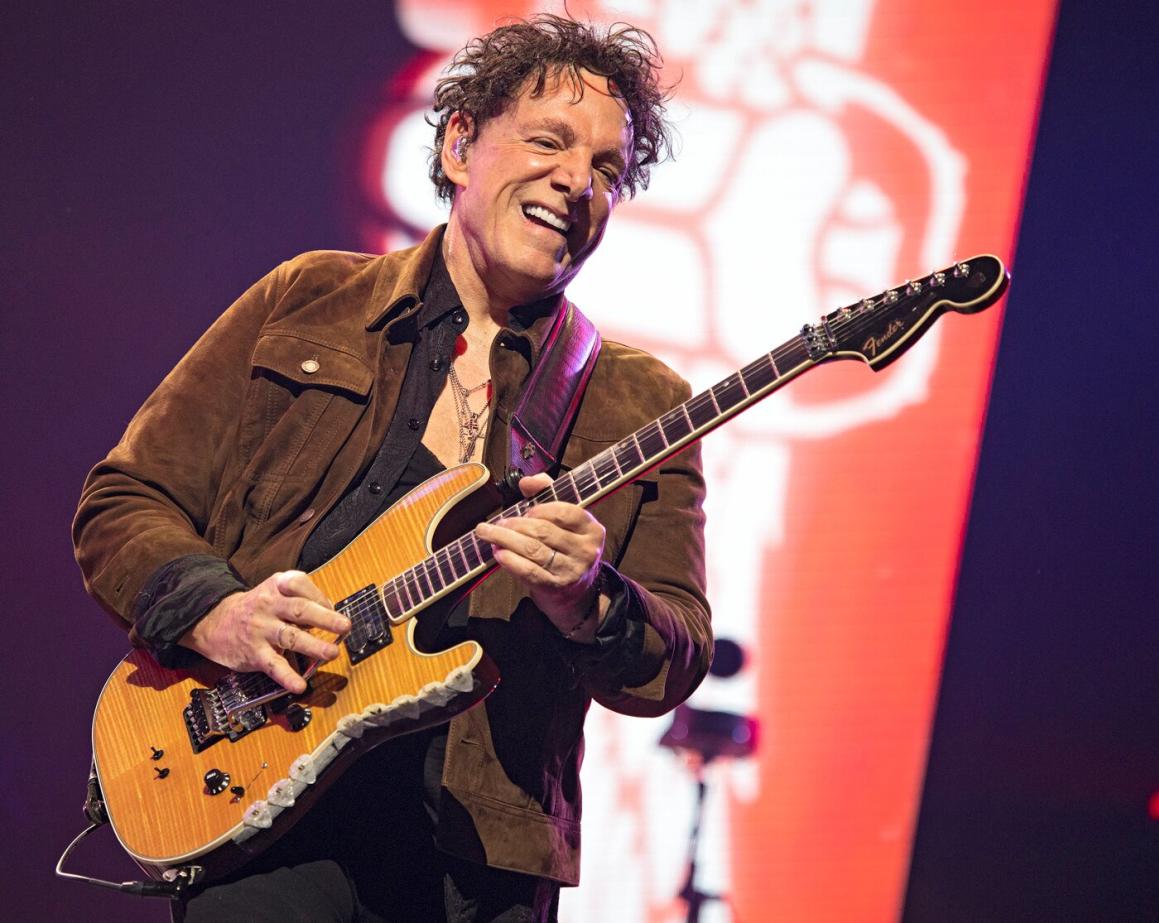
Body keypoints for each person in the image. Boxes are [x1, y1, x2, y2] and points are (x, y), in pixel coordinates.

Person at [72, 14, 711, 922]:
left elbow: (674, 652)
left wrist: (591, 599)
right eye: (549, 141)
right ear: (459, 145)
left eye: (607, 168)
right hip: (260, 815)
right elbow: (124, 500)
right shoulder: (310, 298)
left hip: (474, 867)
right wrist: (218, 612)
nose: (577, 180)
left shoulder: (643, 403)